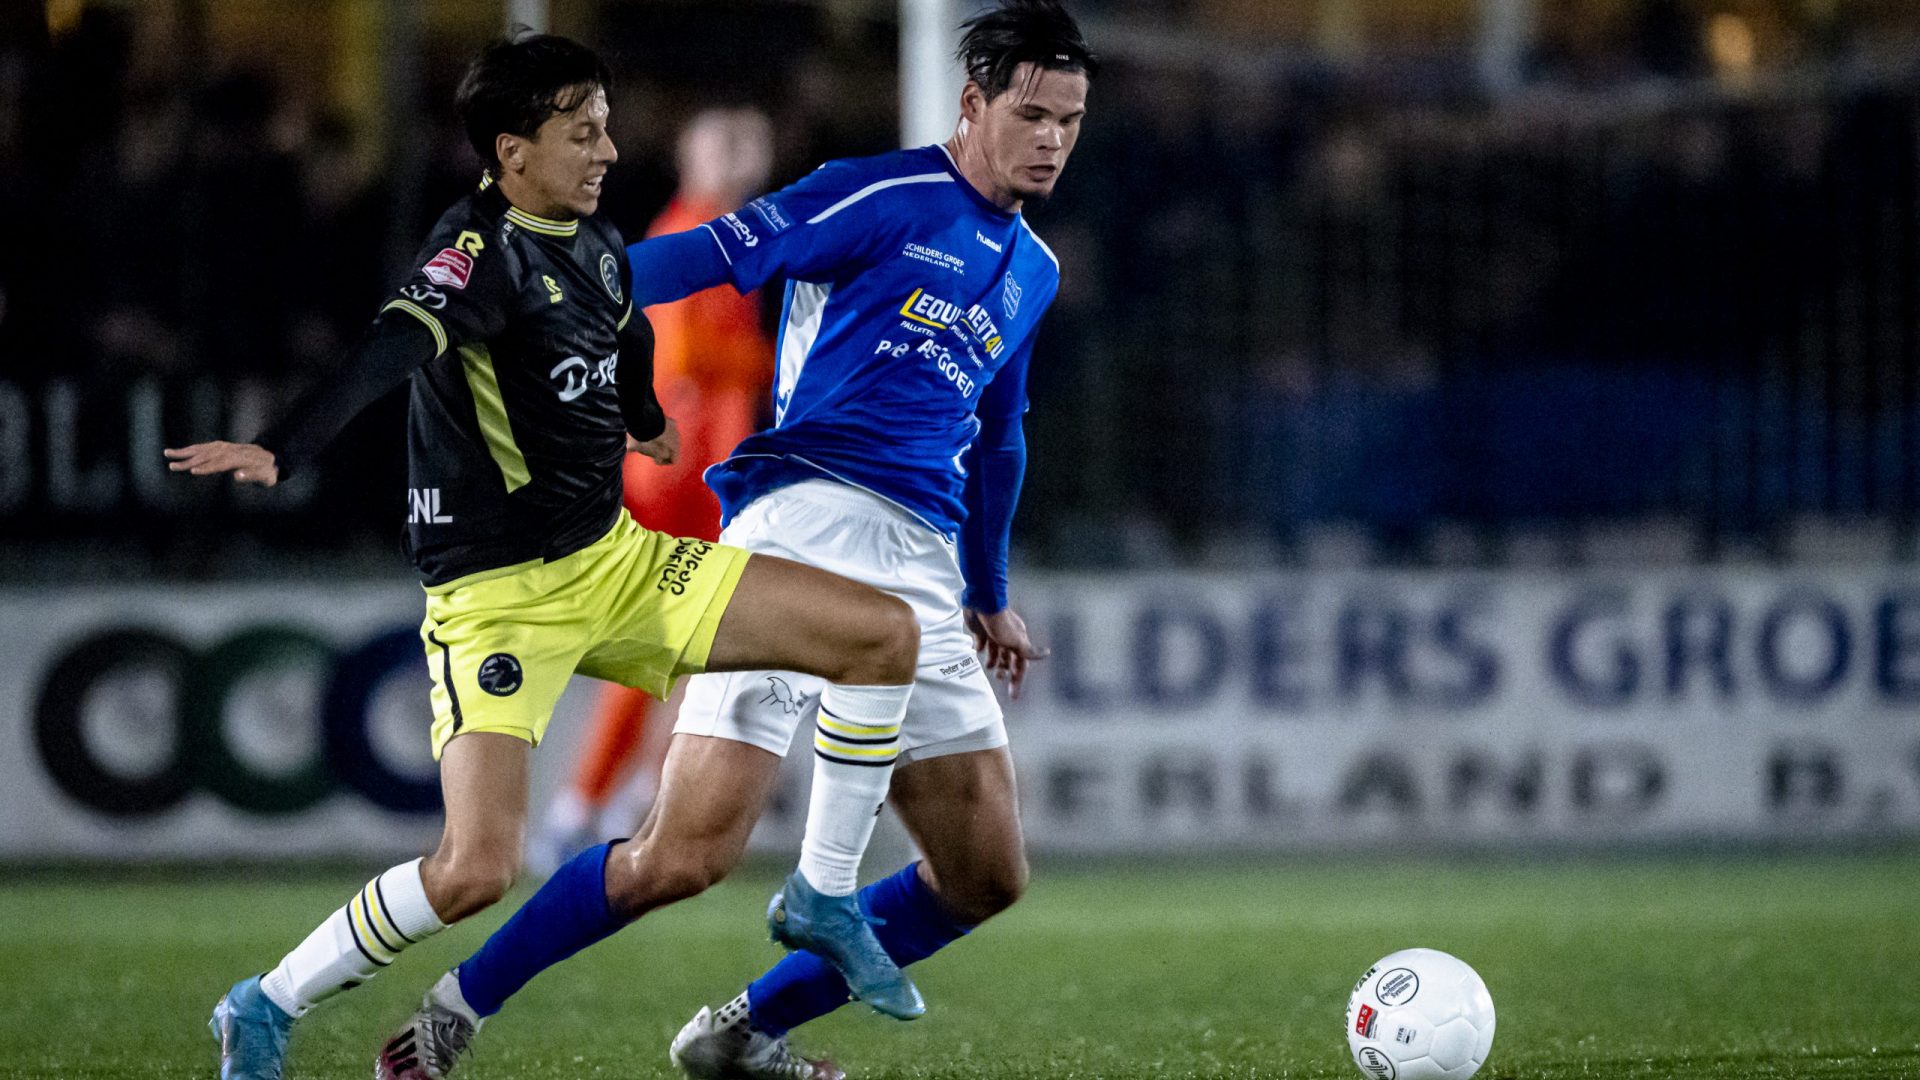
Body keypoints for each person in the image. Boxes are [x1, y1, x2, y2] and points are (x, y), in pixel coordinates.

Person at [172, 32, 924, 1080]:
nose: (609, 148)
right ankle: (263, 1004)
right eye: (582, 132)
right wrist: (283, 445)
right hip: (498, 599)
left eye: (609, 125)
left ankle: (825, 896)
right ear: (513, 152)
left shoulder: (600, 242)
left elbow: (624, 338)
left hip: (618, 561)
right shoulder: (474, 252)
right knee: (475, 867)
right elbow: (393, 345)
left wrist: (649, 420)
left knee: (879, 633)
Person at [404, 3, 1097, 1077]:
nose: (1053, 137)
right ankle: (453, 1010)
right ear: (973, 104)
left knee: (987, 874)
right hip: (806, 521)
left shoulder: (1033, 268)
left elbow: (998, 437)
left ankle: (739, 1035)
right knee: (679, 856)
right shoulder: (883, 192)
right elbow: (723, 252)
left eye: (1071, 119)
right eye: (1033, 112)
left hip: (921, 557)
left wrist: (988, 588)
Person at [530, 107, 777, 876]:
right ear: (688, 156)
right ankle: (594, 808)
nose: (741, 156)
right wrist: (778, 359)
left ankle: (620, 805)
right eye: (724, 142)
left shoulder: (723, 237)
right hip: (679, 480)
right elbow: (690, 356)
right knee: (672, 655)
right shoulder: (695, 237)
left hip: (695, 478)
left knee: (689, 659)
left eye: (747, 144)